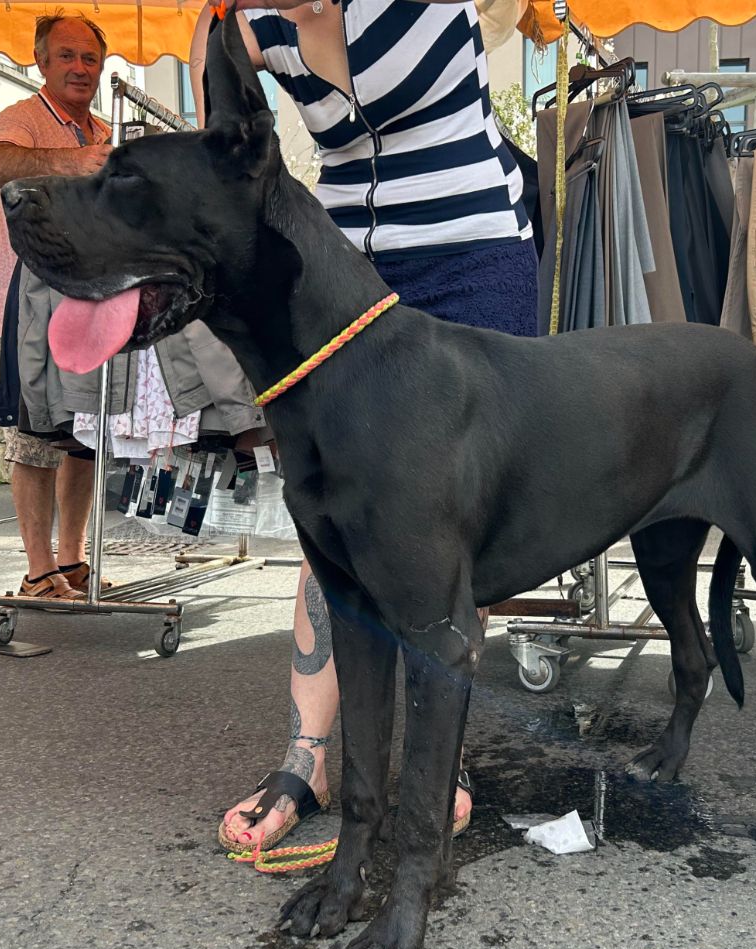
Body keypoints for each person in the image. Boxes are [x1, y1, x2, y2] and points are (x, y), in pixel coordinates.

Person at [192, 0, 539, 853]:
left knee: (447, 519)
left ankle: (439, 754)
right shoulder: (252, 22)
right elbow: (229, 153)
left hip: (473, 252)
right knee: (330, 511)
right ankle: (307, 757)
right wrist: (217, 38)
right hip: (341, 270)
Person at [0, 13, 113, 600]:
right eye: (67, 56)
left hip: (87, 308)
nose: (80, 68)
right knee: (33, 440)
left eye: (89, 58)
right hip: (27, 309)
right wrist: (74, 164)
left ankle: (72, 560)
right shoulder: (24, 117)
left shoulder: (103, 130)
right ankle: (38, 571)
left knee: (81, 435)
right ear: (41, 62)